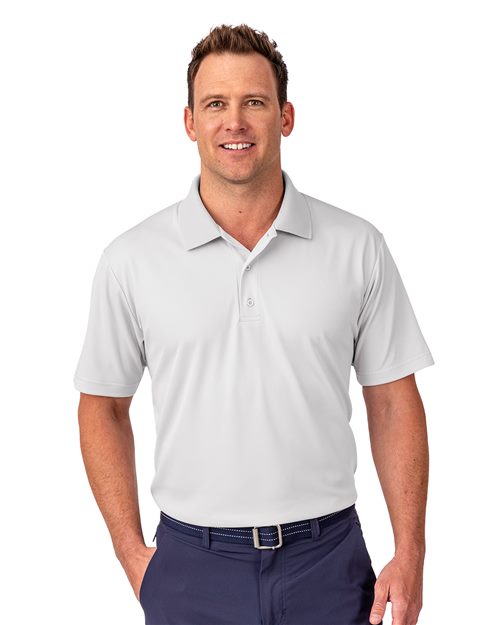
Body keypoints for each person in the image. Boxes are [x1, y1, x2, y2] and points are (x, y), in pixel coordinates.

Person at [74, 23, 434, 625]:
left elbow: (394, 401)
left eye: (255, 102)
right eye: (216, 104)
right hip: (191, 567)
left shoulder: (357, 247)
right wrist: (132, 554)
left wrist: (411, 549)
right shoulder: (131, 260)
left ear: (285, 117)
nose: (234, 122)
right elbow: (102, 407)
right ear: (190, 122)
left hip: (329, 563)